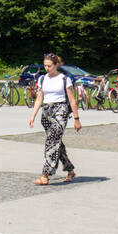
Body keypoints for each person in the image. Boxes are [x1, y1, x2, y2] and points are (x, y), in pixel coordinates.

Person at [28, 52, 80, 185]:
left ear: (56, 65)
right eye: (45, 66)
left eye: (49, 66)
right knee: (57, 143)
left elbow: (72, 100)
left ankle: (45, 175)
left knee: (51, 142)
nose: (47, 68)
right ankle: (70, 170)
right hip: (46, 113)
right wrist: (33, 116)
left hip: (60, 111)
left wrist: (76, 118)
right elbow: (39, 99)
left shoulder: (64, 79)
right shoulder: (42, 79)